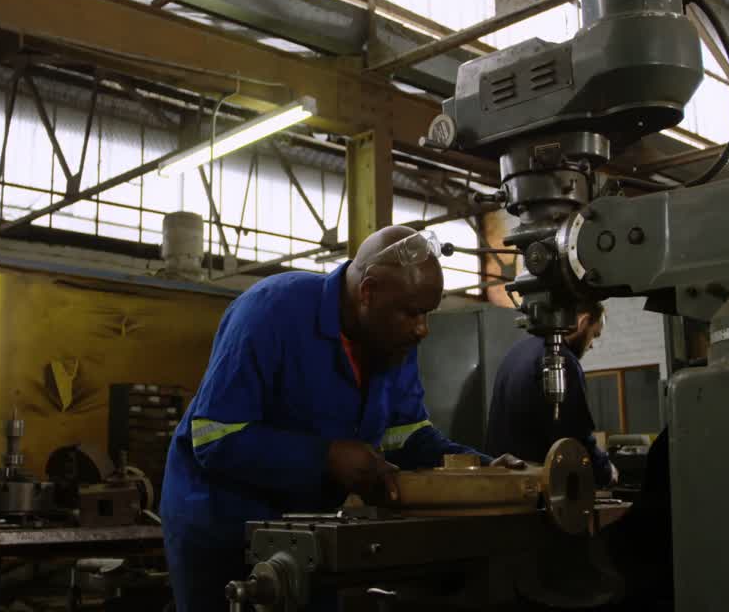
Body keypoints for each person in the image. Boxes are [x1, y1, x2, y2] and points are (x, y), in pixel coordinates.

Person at [160, 225, 523, 611]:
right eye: (413, 314)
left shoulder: (393, 343)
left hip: (309, 531)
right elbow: (214, 438)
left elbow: (409, 438)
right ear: (367, 292)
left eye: (427, 314)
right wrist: (326, 458)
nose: (423, 329)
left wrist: (485, 472)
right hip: (219, 527)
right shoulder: (270, 311)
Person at [484, 300, 615, 488]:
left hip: (504, 484)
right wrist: (605, 471)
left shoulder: (515, 352)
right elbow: (574, 437)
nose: (591, 345)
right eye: (594, 334)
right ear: (583, 322)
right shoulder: (562, 360)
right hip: (539, 489)